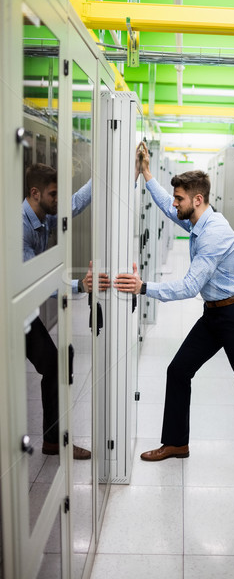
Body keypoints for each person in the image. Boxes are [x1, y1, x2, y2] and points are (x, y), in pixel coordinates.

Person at [114, 142, 234, 473]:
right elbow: (165, 206)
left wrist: (143, 286)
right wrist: (146, 172)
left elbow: (189, 287)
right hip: (216, 314)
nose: (175, 203)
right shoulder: (197, 219)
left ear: (197, 200)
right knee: (178, 370)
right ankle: (176, 442)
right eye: (176, 197)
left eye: (180, 199)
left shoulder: (213, 234)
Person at [23, 163, 110, 459]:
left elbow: (73, 205)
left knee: (59, 359)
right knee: (55, 360)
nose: (58, 200)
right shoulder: (19, 228)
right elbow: (31, 283)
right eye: (53, 194)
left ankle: (53, 440)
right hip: (10, 310)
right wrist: (79, 286)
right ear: (35, 194)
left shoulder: (44, 213)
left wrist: (103, 172)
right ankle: (53, 439)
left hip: (21, 308)